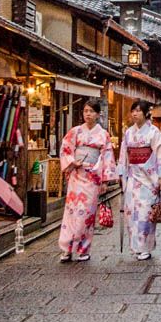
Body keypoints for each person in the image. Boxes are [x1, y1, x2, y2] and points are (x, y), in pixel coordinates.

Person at [57, 97, 115, 264]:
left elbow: (107, 156)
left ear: (98, 114)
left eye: (91, 111)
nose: (88, 114)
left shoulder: (103, 135)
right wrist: (71, 161)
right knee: (70, 213)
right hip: (77, 174)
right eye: (85, 111)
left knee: (87, 215)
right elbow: (66, 149)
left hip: (93, 177)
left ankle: (83, 249)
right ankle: (66, 249)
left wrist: (105, 180)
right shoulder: (75, 132)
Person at [121, 100, 161, 261]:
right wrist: (121, 173)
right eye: (133, 111)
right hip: (133, 177)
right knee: (131, 214)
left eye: (138, 111)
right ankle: (136, 246)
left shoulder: (153, 132)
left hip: (149, 178)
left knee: (145, 214)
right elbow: (124, 155)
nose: (135, 114)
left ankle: (145, 247)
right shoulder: (128, 133)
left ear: (145, 113)